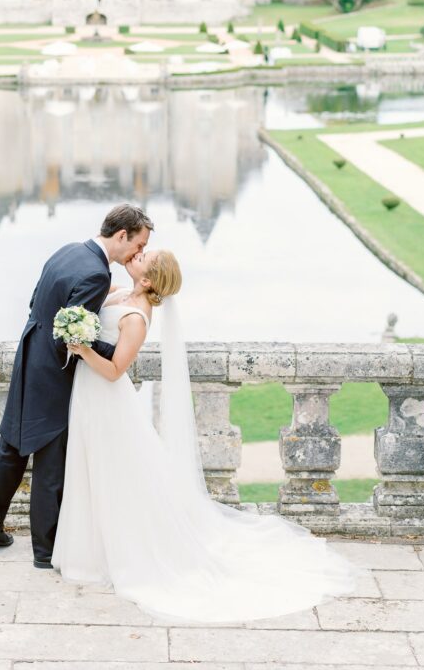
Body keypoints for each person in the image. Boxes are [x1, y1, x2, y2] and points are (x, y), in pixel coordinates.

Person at [52, 248, 358, 623]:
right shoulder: (121, 294)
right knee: (89, 466)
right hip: (88, 395)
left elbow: (116, 370)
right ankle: (85, 551)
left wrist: (81, 349)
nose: (138, 254)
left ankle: (108, 555)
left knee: (110, 472)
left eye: (143, 257)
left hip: (107, 397)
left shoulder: (137, 318)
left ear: (147, 280)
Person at [0, 203, 153, 567]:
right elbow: (72, 337)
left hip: (28, 353)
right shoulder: (97, 275)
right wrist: (116, 351)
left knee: (11, 444)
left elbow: (38, 303)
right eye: (138, 244)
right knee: (51, 460)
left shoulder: (68, 251)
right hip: (53, 371)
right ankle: (45, 550)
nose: (139, 252)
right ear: (122, 235)